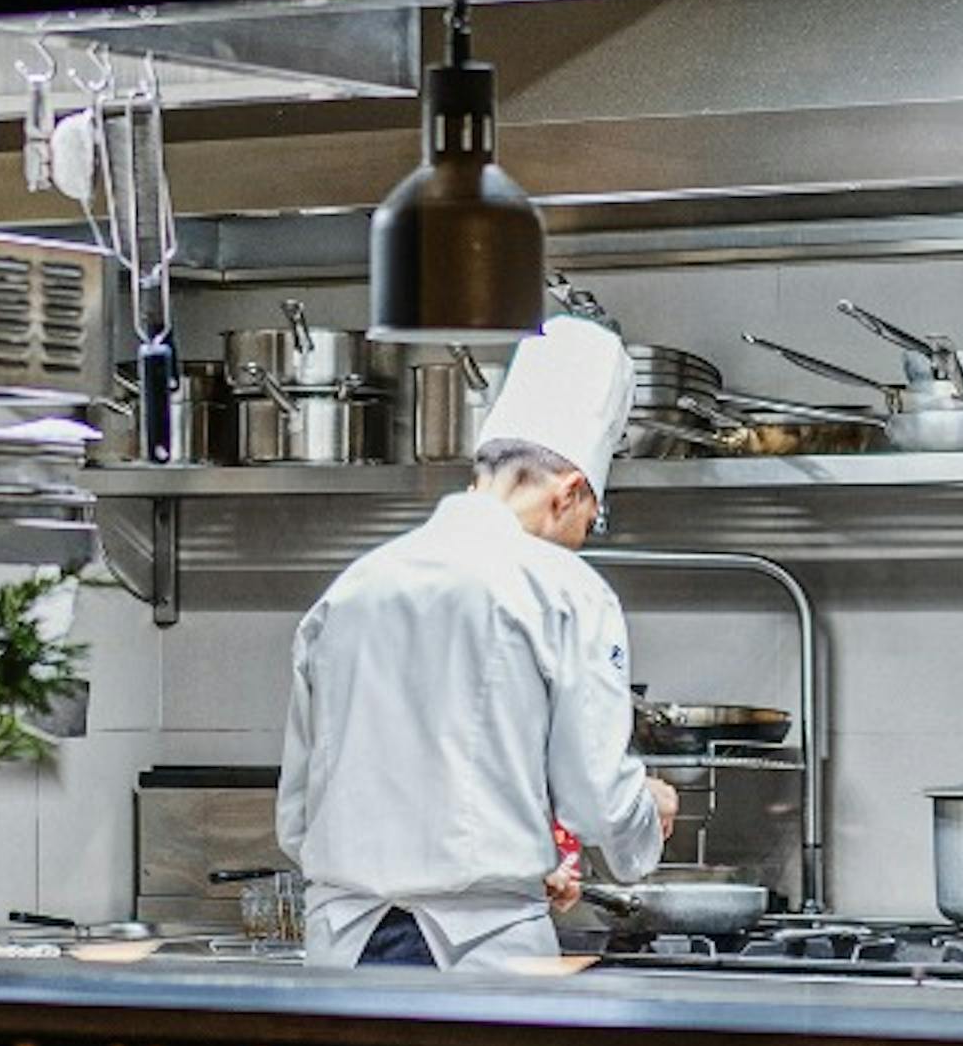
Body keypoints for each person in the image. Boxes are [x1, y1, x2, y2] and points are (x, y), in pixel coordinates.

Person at [277, 317, 679, 971]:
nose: (585, 535)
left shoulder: (350, 590)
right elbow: (597, 797)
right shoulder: (567, 590)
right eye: (590, 518)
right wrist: (647, 811)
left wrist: (503, 861)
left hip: (339, 953)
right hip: (477, 959)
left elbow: (298, 812)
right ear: (569, 491)